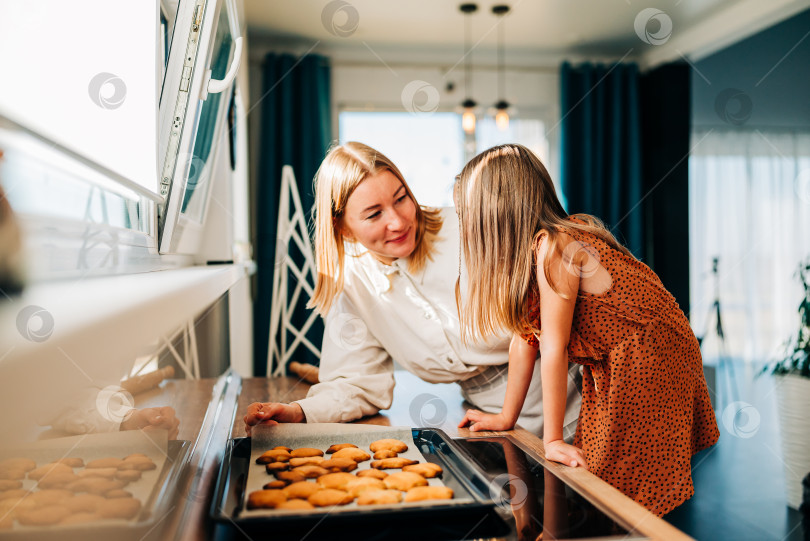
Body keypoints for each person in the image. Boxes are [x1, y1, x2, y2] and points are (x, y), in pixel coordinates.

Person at [244, 142, 582, 437]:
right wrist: (300, 412)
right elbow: (358, 386)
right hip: (497, 424)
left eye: (401, 197)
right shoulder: (353, 286)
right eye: (374, 214)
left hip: (584, 398)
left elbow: (558, 279)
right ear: (342, 227)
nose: (399, 221)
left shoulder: (472, 226)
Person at [456, 144, 719, 516]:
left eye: (469, 214)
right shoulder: (535, 252)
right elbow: (524, 339)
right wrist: (505, 418)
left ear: (499, 214)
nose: (465, 224)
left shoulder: (556, 246)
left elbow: (554, 347)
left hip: (652, 354)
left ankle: (631, 530)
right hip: (620, 358)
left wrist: (551, 439)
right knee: (597, 469)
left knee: (621, 477)